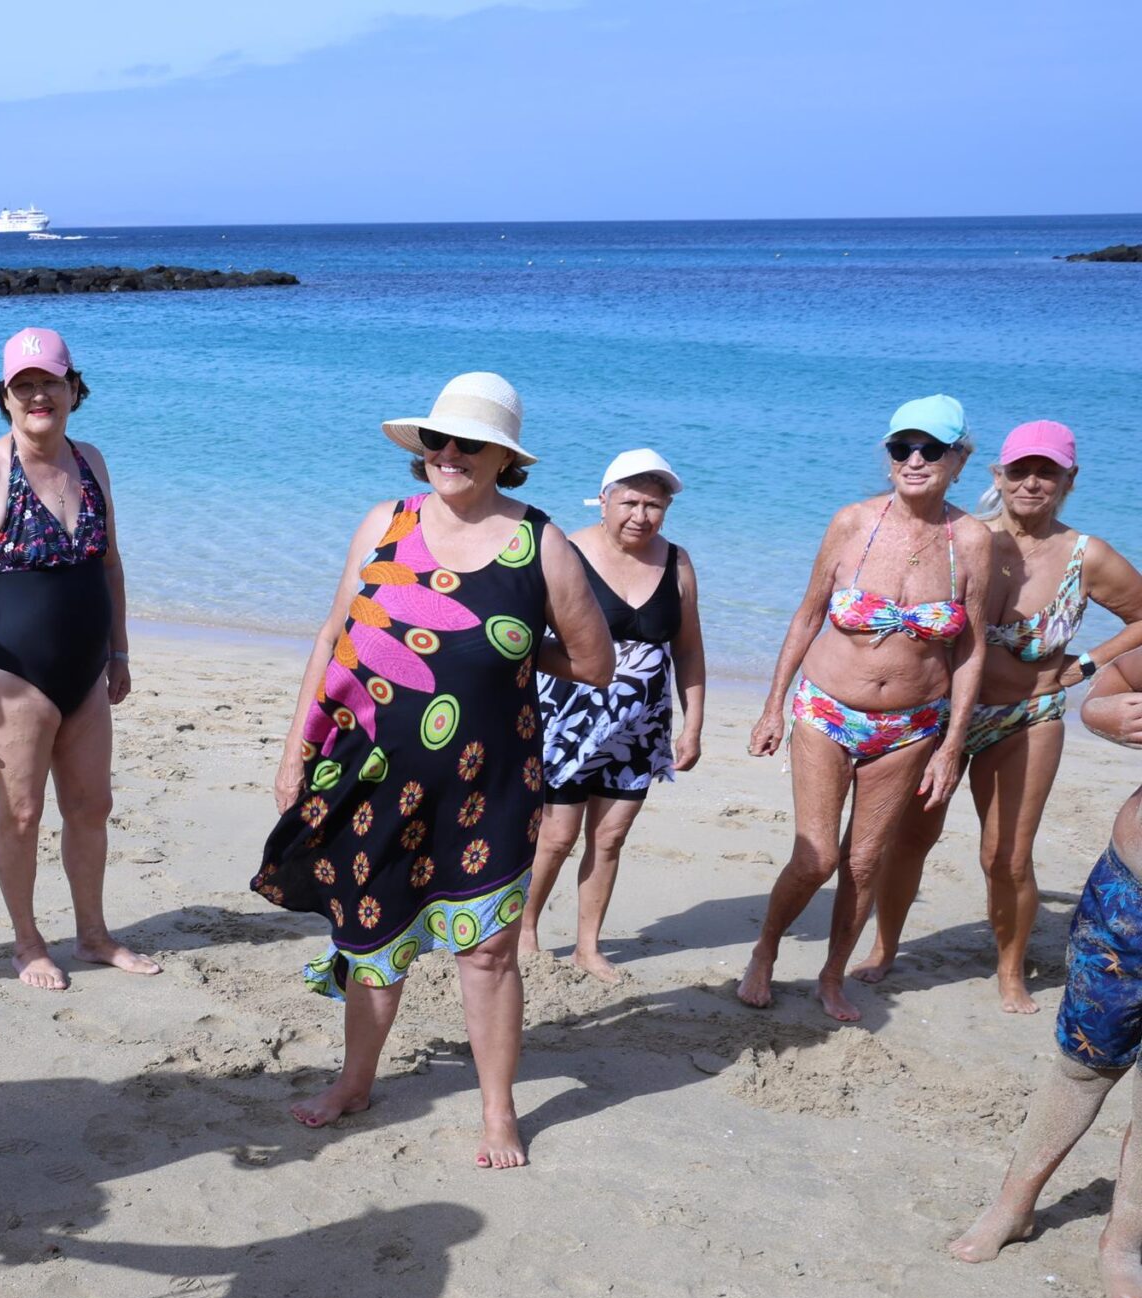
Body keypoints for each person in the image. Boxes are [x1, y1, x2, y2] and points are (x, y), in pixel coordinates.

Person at [253, 372, 613, 1167]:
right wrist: (295, 751)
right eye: (438, 440)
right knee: (371, 932)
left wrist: (510, 647)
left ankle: (498, 1112)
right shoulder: (385, 522)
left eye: (470, 443)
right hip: (369, 773)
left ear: (503, 458)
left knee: (487, 951)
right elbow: (334, 634)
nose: (450, 453)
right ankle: (354, 1083)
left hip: (491, 785)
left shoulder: (541, 543)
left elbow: (595, 663)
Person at [861, 420, 1142, 1011]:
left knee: (1006, 856)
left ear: (1069, 479)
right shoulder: (965, 538)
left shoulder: (1087, 556)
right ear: (999, 474)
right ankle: (884, 949)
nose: (1032, 483)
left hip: (1027, 716)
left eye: (1047, 472)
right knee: (911, 838)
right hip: (942, 715)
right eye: (1019, 470)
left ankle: (1011, 971)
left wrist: (1088, 665)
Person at [736, 395, 994, 1023]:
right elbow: (807, 616)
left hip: (910, 728)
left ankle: (831, 977)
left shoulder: (972, 540)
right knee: (817, 857)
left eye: (932, 449)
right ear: (889, 457)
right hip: (827, 711)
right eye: (902, 448)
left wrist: (953, 743)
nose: (915, 460)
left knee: (865, 860)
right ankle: (765, 951)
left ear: (959, 460)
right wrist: (773, 706)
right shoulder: (852, 523)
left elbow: (971, 649)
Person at [0, 327, 160, 991]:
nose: (37, 396)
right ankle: (27, 944)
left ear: (73, 389)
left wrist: (119, 650)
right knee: (22, 813)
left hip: (87, 670)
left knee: (91, 806)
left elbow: (110, 564)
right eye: (22, 386)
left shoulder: (91, 461)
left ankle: (93, 935)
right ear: (3, 397)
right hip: (11, 672)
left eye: (49, 382)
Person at [949, 646, 1142, 1298]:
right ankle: (1013, 1206)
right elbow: (1115, 681)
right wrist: (1104, 713)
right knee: (1081, 1066)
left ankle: (1124, 1242)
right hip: (1126, 901)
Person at [521, 450, 707, 982]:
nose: (641, 516)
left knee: (610, 838)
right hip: (565, 724)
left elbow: (689, 648)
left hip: (640, 729)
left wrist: (692, 724)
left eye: (654, 505)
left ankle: (588, 947)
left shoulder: (677, 562)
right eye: (629, 502)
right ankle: (525, 931)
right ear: (603, 500)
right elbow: (523, 637)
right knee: (557, 837)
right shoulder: (565, 551)